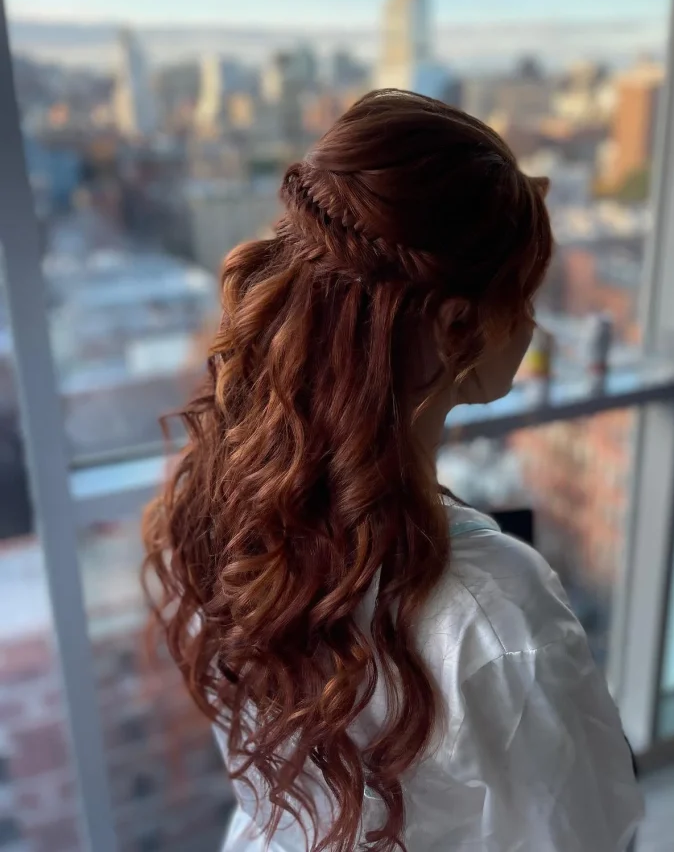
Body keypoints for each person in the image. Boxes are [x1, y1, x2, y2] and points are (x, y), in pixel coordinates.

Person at [142, 90, 643, 852]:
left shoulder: (220, 506)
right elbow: (583, 835)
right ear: (455, 325)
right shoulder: (493, 611)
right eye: (523, 296)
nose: (534, 323)